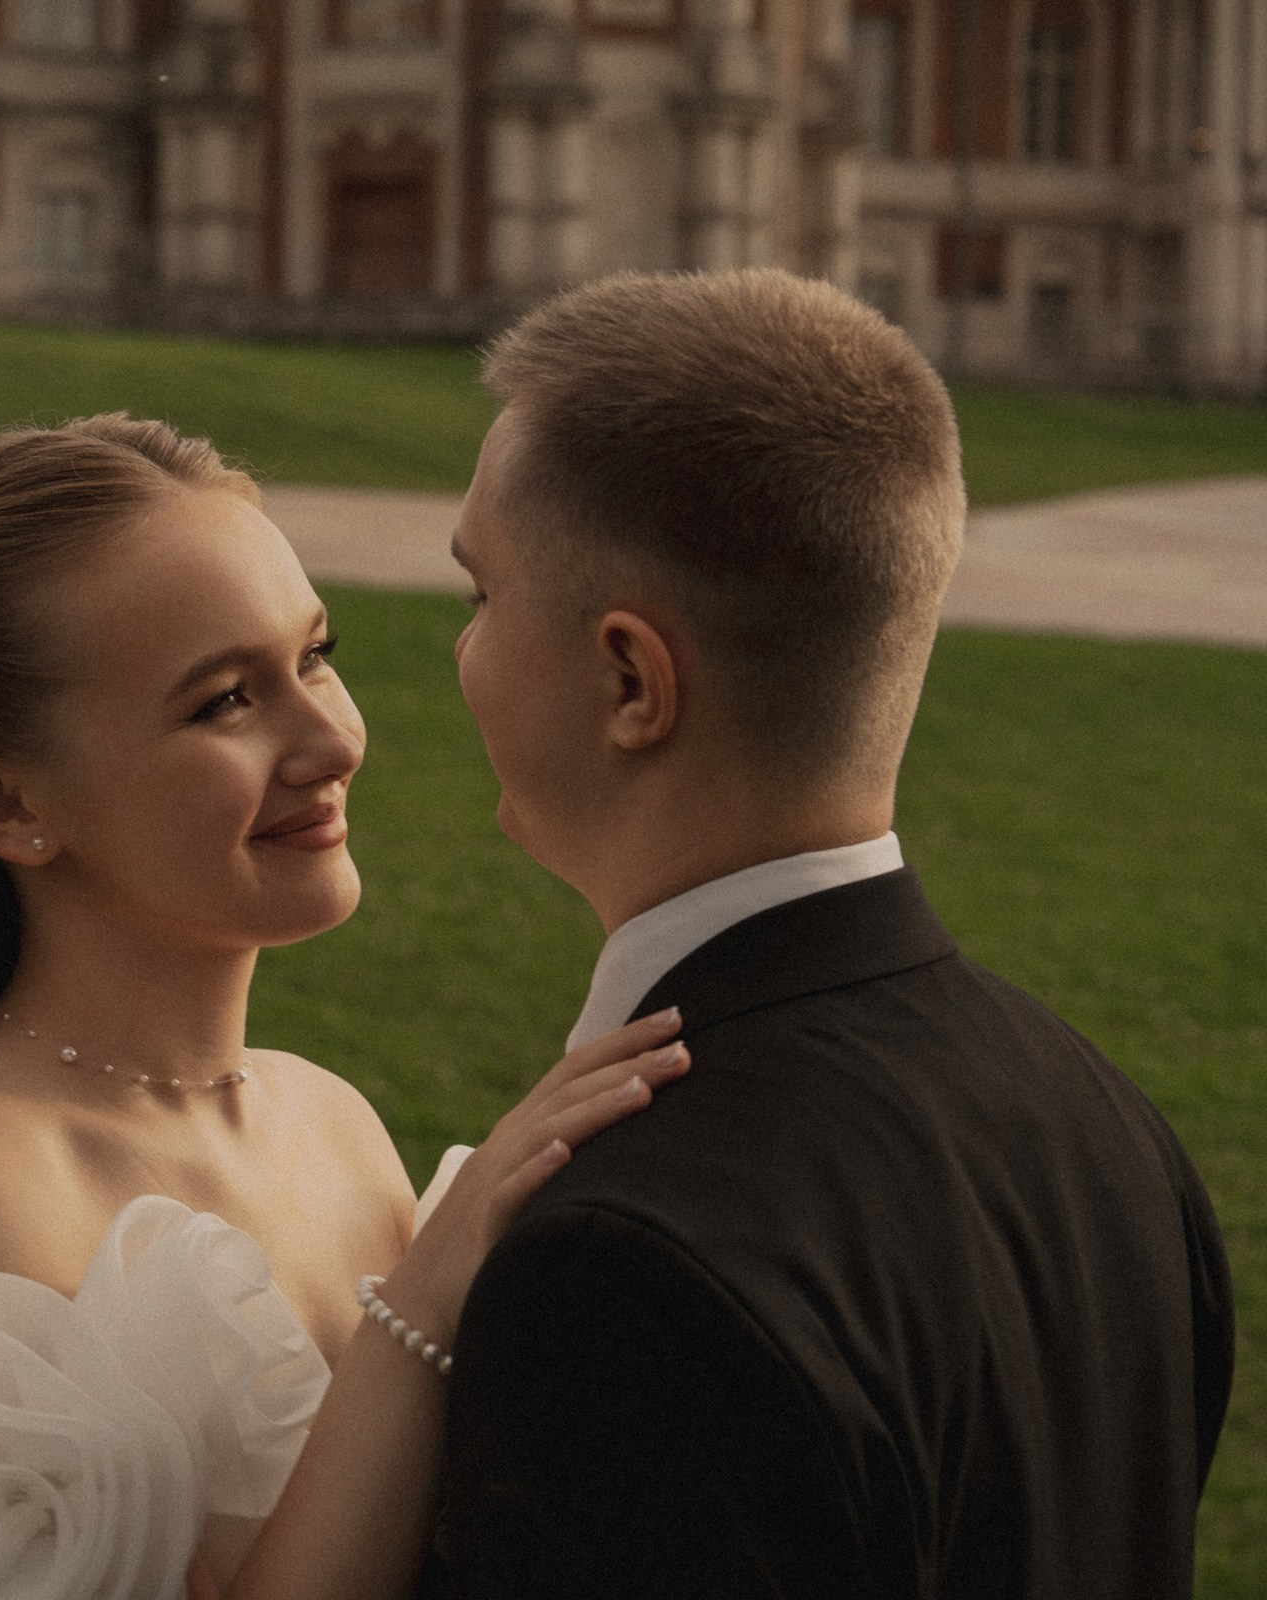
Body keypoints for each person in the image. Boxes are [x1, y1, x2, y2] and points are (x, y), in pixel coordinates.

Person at [0, 414, 692, 1600]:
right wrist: (425, 1301)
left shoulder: (329, 1120)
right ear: (11, 802)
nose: (332, 740)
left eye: (316, 655)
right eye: (225, 700)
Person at [421, 268, 1236, 1597]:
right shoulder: (1108, 1129)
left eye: (479, 597)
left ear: (631, 680)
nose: (461, 647)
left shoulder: (619, 1279)